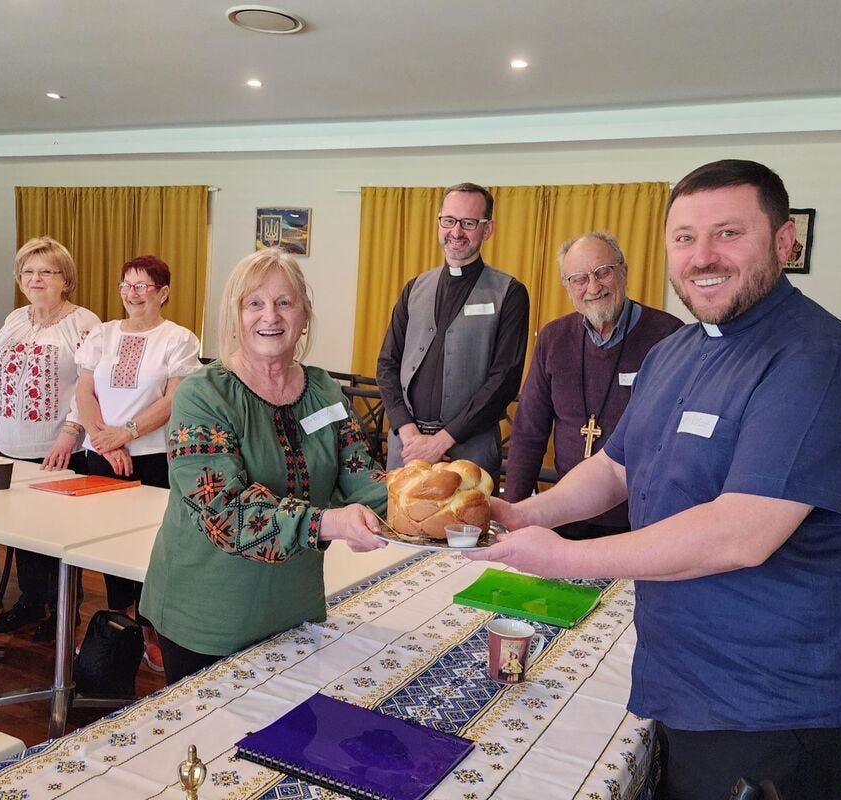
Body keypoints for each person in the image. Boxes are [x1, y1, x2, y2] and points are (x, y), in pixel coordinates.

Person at [468, 160, 841, 800]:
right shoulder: (675, 352)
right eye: (685, 237)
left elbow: (740, 534)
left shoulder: (817, 359)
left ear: (784, 242)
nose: (702, 256)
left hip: (776, 706)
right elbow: (616, 467)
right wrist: (528, 514)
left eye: (729, 233)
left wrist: (567, 557)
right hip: (683, 681)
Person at [140, 248, 388, 685]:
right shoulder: (203, 396)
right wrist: (330, 523)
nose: (269, 315)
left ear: (304, 315)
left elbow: (361, 475)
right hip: (211, 617)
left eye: (284, 302)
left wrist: (436, 502)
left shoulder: (324, 390)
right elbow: (224, 513)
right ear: (236, 316)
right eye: (254, 303)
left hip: (295, 611)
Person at [0, 236, 100, 639]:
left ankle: (64, 610)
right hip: (11, 444)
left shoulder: (84, 324)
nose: (36, 279)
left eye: (46, 272)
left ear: (65, 280)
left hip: (60, 448)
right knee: (24, 533)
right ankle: (30, 601)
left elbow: (91, 387)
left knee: (57, 536)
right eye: (28, 272)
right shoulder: (16, 320)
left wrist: (70, 434)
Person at [69, 254, 201, 669]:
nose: (133, 293)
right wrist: (104, 441)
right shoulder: (101, 335)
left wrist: (127, 433)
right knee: (107, 540)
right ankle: (120, 623)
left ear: (163, 293)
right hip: (101, 453)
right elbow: (84, 392)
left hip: (151, 457)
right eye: (127, 284)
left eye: (143, 286)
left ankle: (152, 628)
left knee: (150, 545)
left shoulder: (178, 338)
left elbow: (174, 399)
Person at [504, 232, 682, 539]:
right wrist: (514, 514)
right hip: (565, 515)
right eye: (580, 279)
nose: (593, 287)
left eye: (603, 272)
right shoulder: (553, 338)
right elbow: (529, 432)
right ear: (568, 287)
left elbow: (677, 444)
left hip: (639, 521)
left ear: (623, 271)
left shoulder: (669, 337)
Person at [376, 182, 528, 485]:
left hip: (469, 452)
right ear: (439, 222)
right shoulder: (414, 288)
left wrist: (440, 442)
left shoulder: (509, 293)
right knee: (399, 530)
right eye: (449, 220)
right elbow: (386, 366)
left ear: (487, 229)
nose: (456, 232)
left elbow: (504, 381)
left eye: (469, 223)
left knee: (463, 533)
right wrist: (409, 434)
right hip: (407, 449)